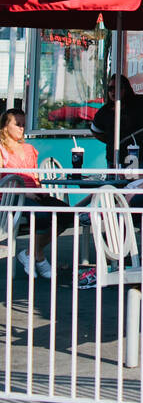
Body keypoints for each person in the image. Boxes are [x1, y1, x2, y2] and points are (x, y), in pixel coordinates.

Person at [0, 109, 75, 279]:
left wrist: (39, 190)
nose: (22, 128)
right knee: (41, 215)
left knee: (67, 214)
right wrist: (26, 193)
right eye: (17, 124)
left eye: (23, 124)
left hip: (33, 194)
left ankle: (30, 252)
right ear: (5, 127)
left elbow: (34, 177)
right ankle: (39, 257)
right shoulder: (2, 150)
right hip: (10, 197)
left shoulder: (29, 149)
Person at [91, 75, 143, 169]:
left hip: (142, 159)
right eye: (110, 88)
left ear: (126, 88)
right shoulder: (104, 112)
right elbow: (96, 132)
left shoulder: (142, 102)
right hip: (116, 160)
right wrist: (112, 141)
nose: (113, 91)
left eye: (118, 88)